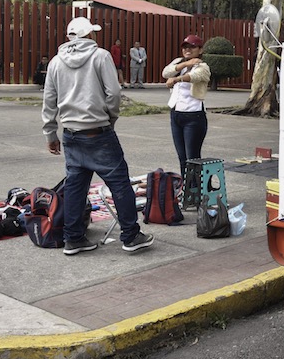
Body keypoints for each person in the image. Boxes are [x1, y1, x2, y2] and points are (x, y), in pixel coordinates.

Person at [42, 16, 154, 255]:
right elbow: (113, 93)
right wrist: (110, 119)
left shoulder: (55, 62)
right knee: (119, 183)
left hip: (71, 133)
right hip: (98, 131)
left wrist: (50, 133)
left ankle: (73, 238)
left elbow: (49, 100)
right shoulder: (100, 56)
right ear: (89, 35)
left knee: (75, 186)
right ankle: (131, 236)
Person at [162, 34, 211, 175]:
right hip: (176, 114)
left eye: (192, 47)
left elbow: (196, 76)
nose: (187, 50)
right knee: (182, 157)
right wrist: (184, 64)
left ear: (200, 50)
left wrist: (177, 79)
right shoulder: (178, 62)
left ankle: (196, 186)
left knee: (192, 158)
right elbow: (166, 73)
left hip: (193, 115)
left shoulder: (203, 66)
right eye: (185, 47)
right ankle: (185, 185)